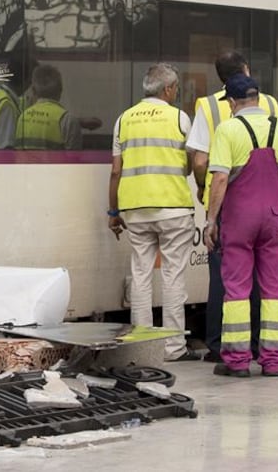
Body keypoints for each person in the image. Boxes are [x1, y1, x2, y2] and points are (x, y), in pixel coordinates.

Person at [205, 73, 278, 377]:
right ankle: (273, 361)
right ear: (259, 99)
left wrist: (211, 220)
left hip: (239, 219)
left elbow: (220, 178)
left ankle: (237, 362)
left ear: (233, 102)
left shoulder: (228, 130)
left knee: (237, 288)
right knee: (274, 290)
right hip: (275, 217)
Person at [187, 51, 278, 364]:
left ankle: (219, 345)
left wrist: (204, 187)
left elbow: (200, 161)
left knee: (225, 275)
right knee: (261, 276)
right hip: (268, 202)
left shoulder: (209, 106)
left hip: (228, 203)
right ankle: (257, 345)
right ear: (246, 71)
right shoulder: (270, 104)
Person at [107, 63, 199, 362]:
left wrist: (113, 211)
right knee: (173, 278)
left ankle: (141, 346)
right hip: (172, 207)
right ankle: (173, 349)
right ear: (169, 89)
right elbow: (192, 161)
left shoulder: (124, 119)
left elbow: (116, 171)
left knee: (141, 275)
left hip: (134, 209)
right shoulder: (179, 118)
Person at [15, 64, 83, 150]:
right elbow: (74, 160)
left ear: (33, 90)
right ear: (60, 90)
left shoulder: (22, 117)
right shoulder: (68, 121)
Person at [0, 56, 33, 149]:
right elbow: (6, 146)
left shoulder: (0, 97)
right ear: (24, 80)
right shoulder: (7, 106)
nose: (30, 86)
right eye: (30, 81)